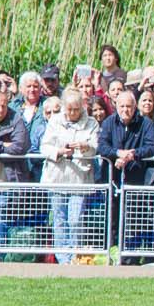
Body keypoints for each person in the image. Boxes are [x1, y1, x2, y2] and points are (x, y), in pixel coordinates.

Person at [38, 89, 100, 263]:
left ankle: (75, 256)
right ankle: (63, 258)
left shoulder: (92, 123)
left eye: (76, 109)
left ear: (81, 108)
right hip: (57, 177)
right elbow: (44, 146)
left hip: (79, 178)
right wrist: (59, 151)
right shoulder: (55, 121)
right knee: (59, 219)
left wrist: (85, 146)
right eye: (69, 109)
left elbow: (95, 147)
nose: (72, 113)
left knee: (75, 219)